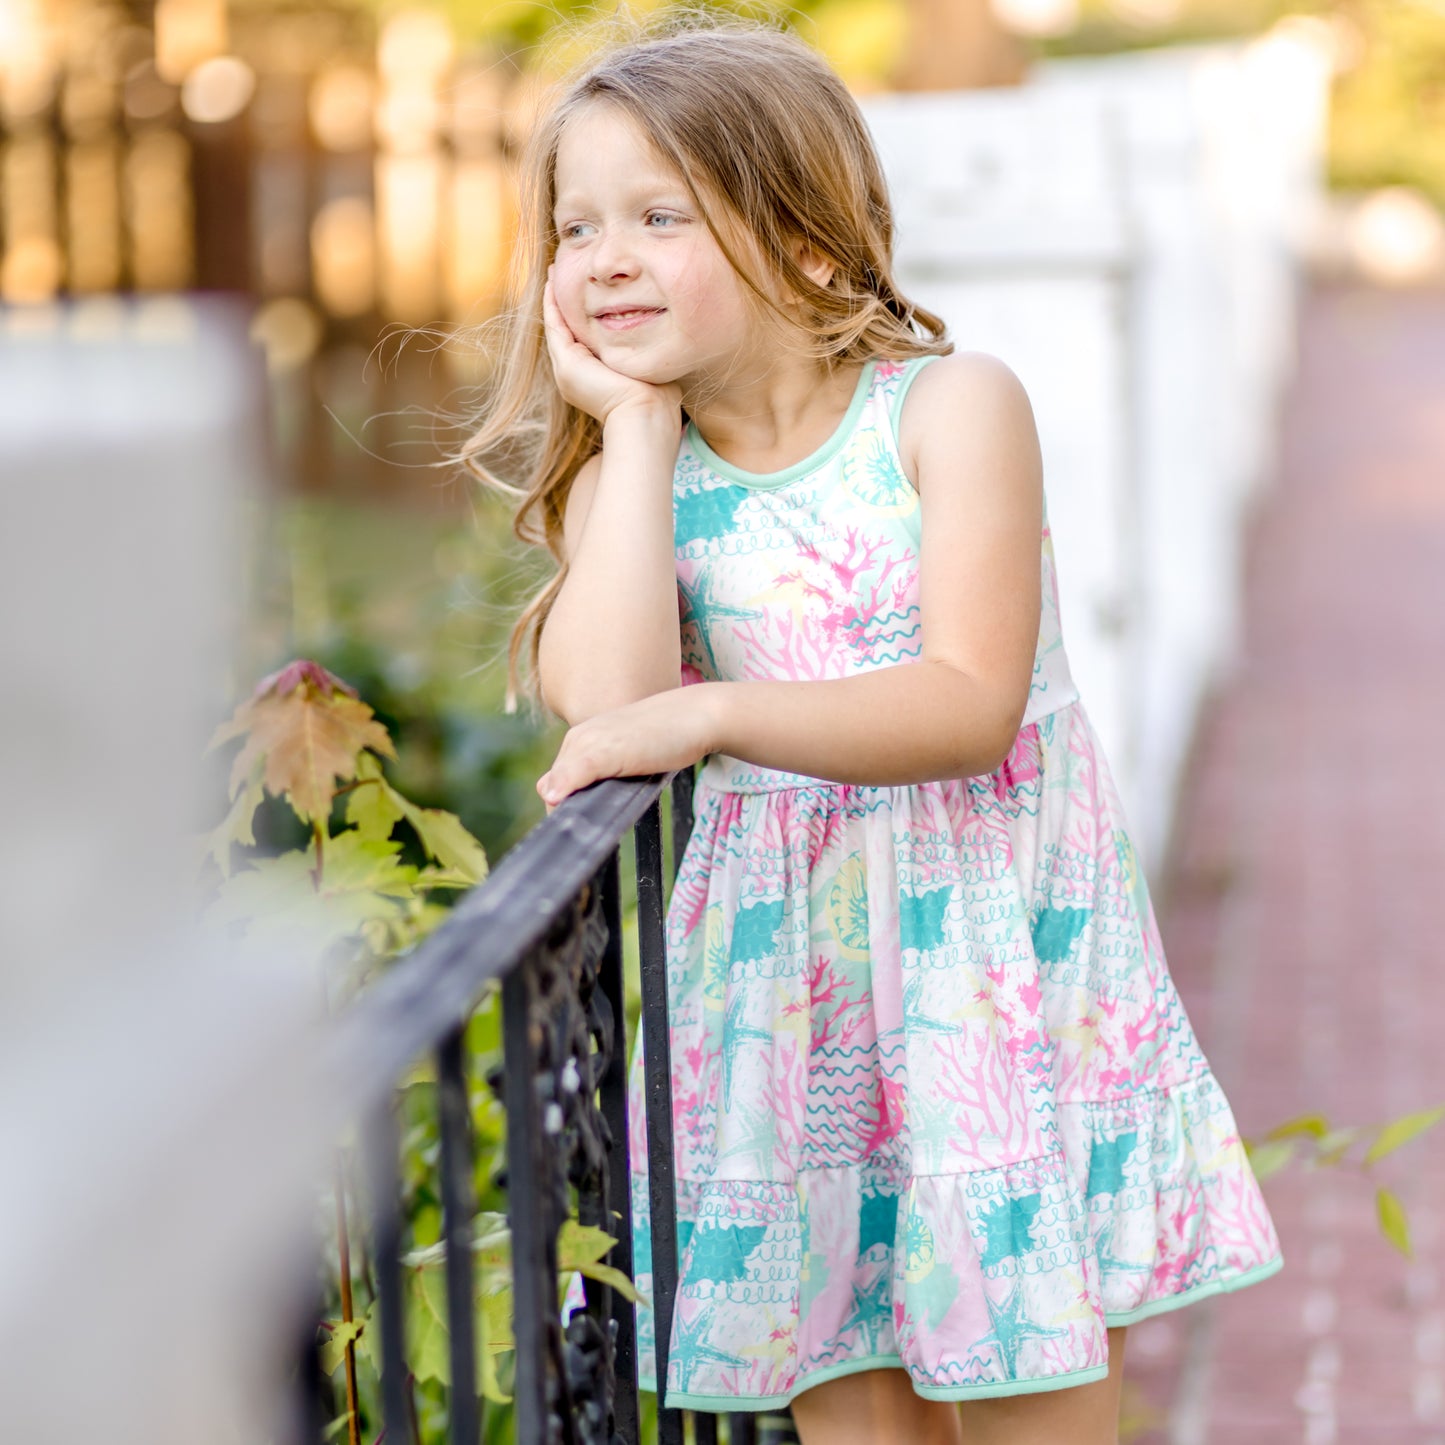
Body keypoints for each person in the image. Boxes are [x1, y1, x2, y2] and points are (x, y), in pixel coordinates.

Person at [465, 19, 1283, 1444]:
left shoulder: (948, 411)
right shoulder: (637, 479)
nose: (600, 257)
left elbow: (966, 701)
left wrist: (718, 708)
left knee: (1038, 1396)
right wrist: (639, 440)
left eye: (659, 216)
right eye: (574, 225)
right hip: (792, 1007)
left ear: (809, 245)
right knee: (849, 1403)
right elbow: (610, 703)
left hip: (986, 990)